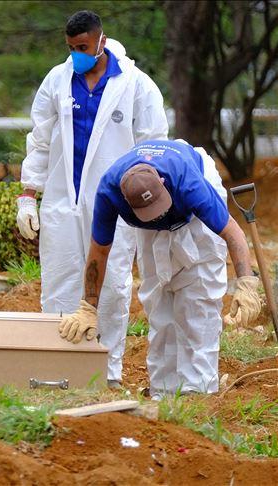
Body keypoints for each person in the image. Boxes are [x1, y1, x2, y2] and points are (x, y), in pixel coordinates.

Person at [16, 10, 168, 387]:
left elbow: (154, 145)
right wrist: (27, 195)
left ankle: (107, 371)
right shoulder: (57, 79)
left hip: (116, 202)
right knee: (60, 277)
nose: (76, 55)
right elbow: (38, 140)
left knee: (113, 281)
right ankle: (57, 370)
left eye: (82, 47)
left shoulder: (135, 85)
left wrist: (148, 201)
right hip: (62, 201)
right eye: (70, 48)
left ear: (101, 40)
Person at [59, 139, 262, 397]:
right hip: (148, 226)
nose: (157, 216)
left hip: (191, 213)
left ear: (164, 185)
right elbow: (99, 251)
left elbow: (233, 233)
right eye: (150, 212)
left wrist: (246, 283)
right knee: (158, 300)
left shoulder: (190, 183)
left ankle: (197, 392)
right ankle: (164, 391)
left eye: (158, 208)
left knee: (198, 298)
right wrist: (88, 307)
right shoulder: (109, 192)